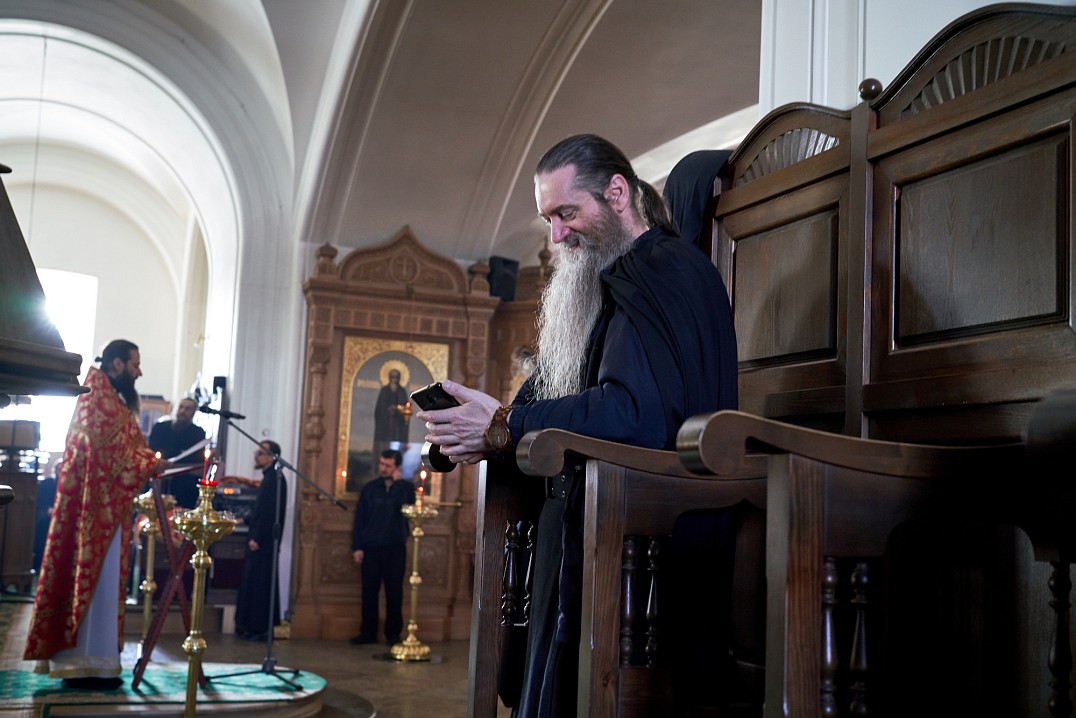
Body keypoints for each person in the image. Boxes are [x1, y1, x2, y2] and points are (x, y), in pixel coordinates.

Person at [417, 134, 737, 717]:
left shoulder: (661, 271)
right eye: (549, 220)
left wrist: (506, 423)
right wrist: (471, 427)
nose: (557, 236)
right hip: (582, 532)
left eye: (567, 213)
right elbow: (544, 397)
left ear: (617, 193)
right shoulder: (606, 280)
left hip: (638, 546)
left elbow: (633, 415)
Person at [25, 339, 169, 689]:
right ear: (117, 364)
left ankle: (100, 664)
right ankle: (81, 665)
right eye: (135, 364)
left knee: (106, 588)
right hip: (92, 515)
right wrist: (149, 463)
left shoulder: (110, 399)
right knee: (95, 584)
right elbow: (107, 456)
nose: (139, 372)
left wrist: (147, 461)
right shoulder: (96, 397)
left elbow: (121, 451)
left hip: (108, 510)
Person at [349, 448, 415, 646]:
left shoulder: (406, 488)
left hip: (395, 548)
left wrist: (397, 484)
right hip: (371, 548)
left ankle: (393, 634)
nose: (383, 468)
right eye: (382, 464)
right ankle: (368, 632)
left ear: (397, 467)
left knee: (394, 593)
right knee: (369, 592)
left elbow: (408, 508)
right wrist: (357, 547)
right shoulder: (370, 488)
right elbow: (359, 520)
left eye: (388, 465)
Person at [234, 439, 287, 641]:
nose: (256, 456)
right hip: (261, 540)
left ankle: (259, 628)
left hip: (264, 542)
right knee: (254, 583)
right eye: (256, 452)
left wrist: (257, 537)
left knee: (261, 585)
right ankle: (250, 626)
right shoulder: (269, 477)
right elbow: (260, 509)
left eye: (261, 453)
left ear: (272, 457)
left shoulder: (276, 479)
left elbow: (269, 513)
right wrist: (244, 519)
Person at [147, 396, 206, 509]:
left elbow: (196, 461)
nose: (183, 411)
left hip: (184, 485)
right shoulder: (160, 428)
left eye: (188, 409)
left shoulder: (198, 433)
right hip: (159, 481)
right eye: (181, 407)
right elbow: (151, 451)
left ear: (194, 412)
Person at [373, 368, 410, 458]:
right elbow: (379, 409)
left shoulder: (402, 391)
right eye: (392, 377)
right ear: (389, 378)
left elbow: (406, 409)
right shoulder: (384, 390)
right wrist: (387, 410)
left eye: (396, 377)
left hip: (397, 425)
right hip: (385, 424)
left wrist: (398, 409)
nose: (394, 379)